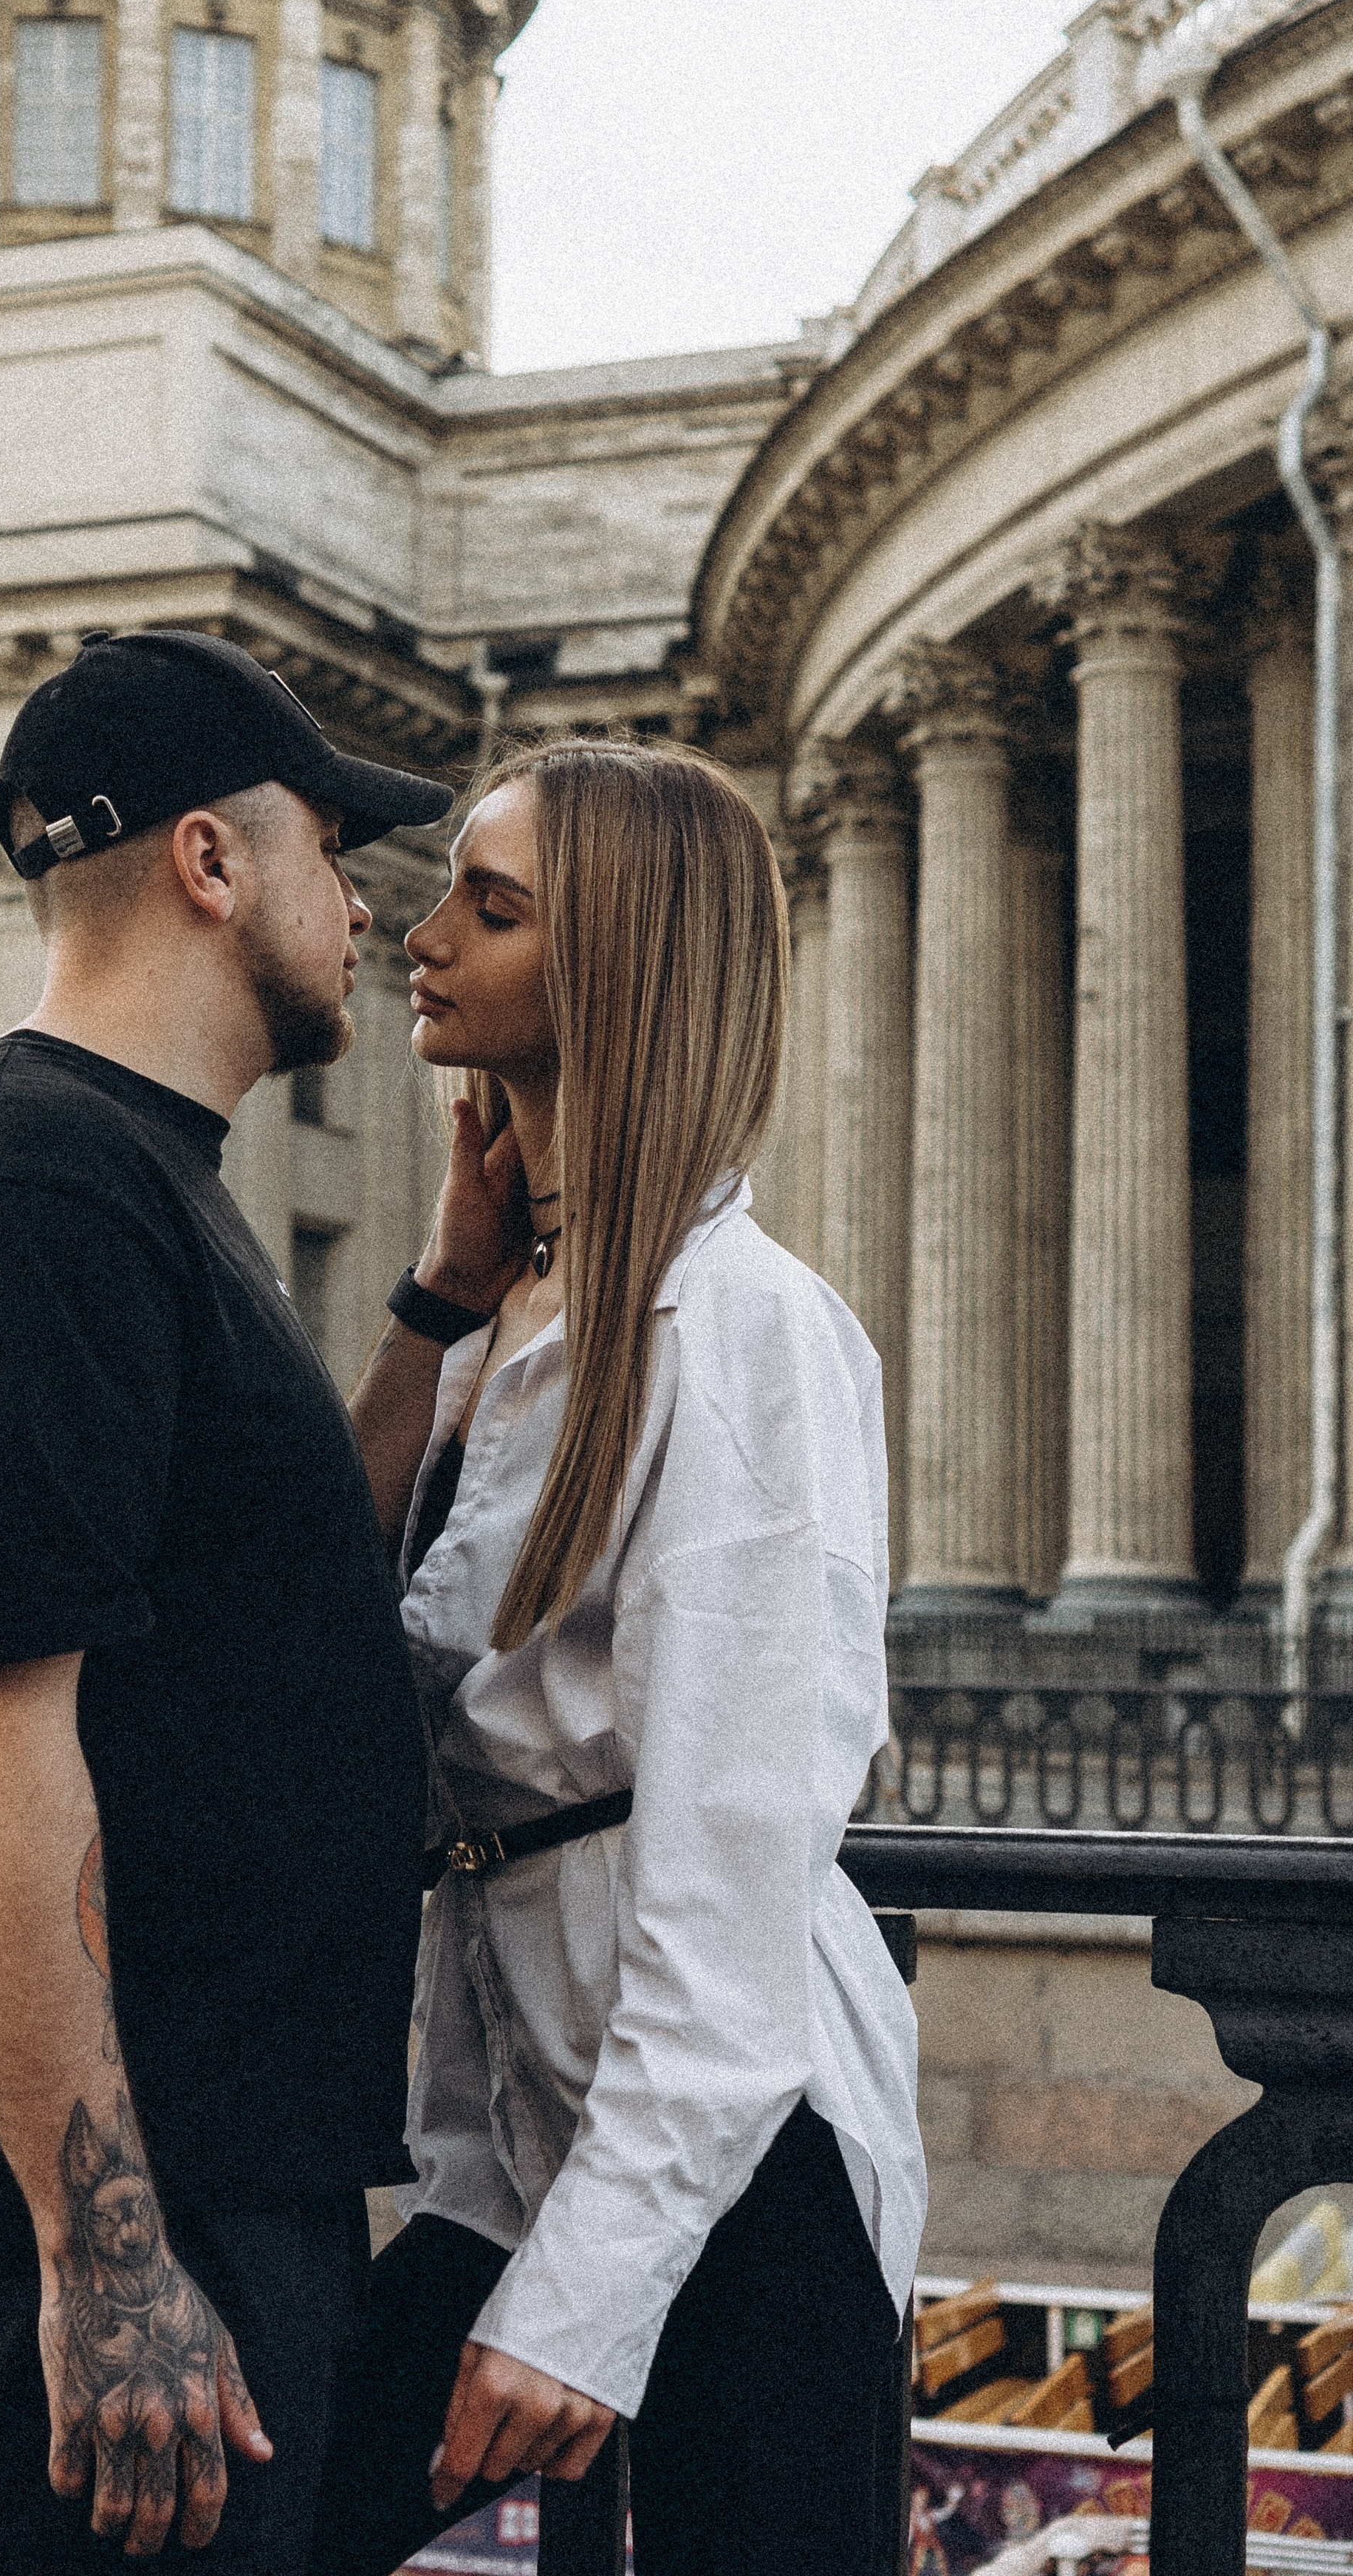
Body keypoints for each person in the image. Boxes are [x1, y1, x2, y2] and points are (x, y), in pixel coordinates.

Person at [0, 629, 453, 2575]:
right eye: (335, 846)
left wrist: (433, 1300)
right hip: (95, 2231)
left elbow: (271, 1582)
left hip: (208, 2181)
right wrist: (108, 2262)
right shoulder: (33, 1191)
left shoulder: (129, 1180)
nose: (364, 903)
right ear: (209, 861)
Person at [314, 734, 927, 2576]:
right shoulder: (526, 1309)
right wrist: (438, 1287)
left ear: (618, 971)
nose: (422, 935)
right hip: (526, 2136)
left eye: (488, 908)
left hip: (736, 2170)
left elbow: (734, 1878)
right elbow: (339, 1629)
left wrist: (576, 2300)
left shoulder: (741, 1334)